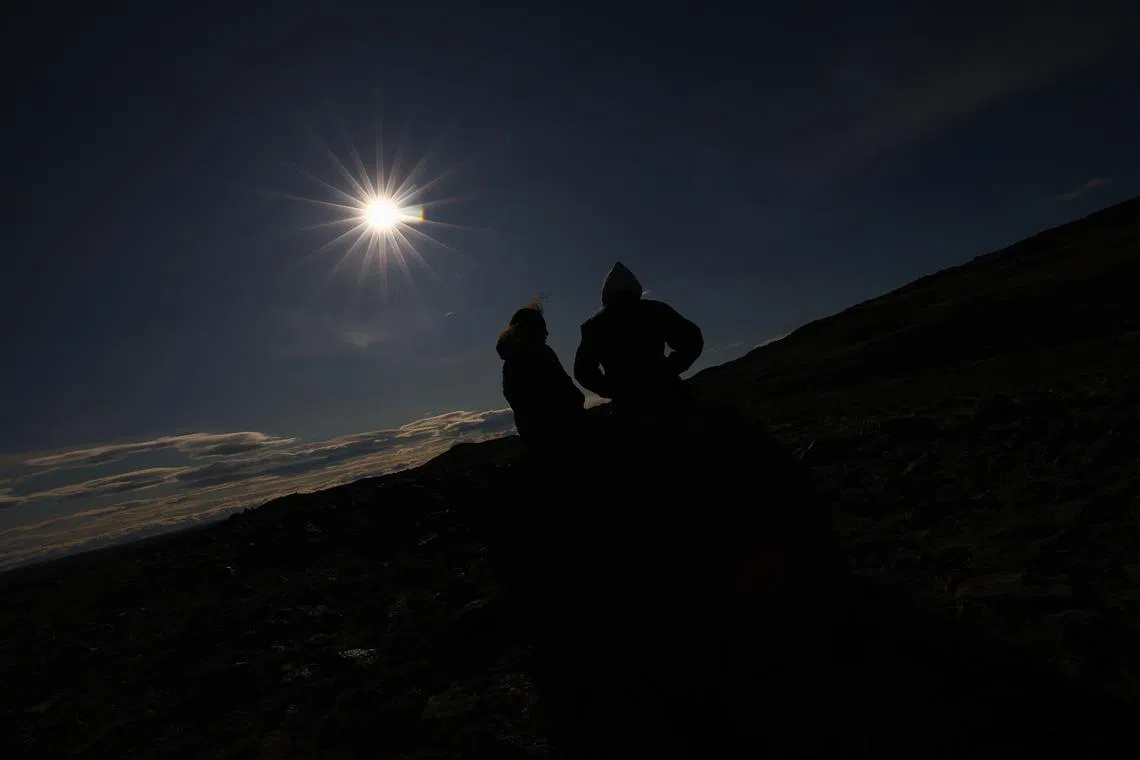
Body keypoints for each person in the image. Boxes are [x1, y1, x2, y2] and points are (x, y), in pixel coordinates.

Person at [573, 262, 704, 408]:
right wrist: (668, 370)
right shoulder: (656, 311)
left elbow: (583, 371)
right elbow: (693, 340)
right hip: (667, 396)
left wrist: (611, 389)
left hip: (627, 406)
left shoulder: (595, 326)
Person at [495, 298, 585, 452]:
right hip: (563, 434)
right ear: (530, 330)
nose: (547, 333)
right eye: (543, 328)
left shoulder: (509, 364)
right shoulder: (542, 354)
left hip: (534, 440)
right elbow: (570, 394)